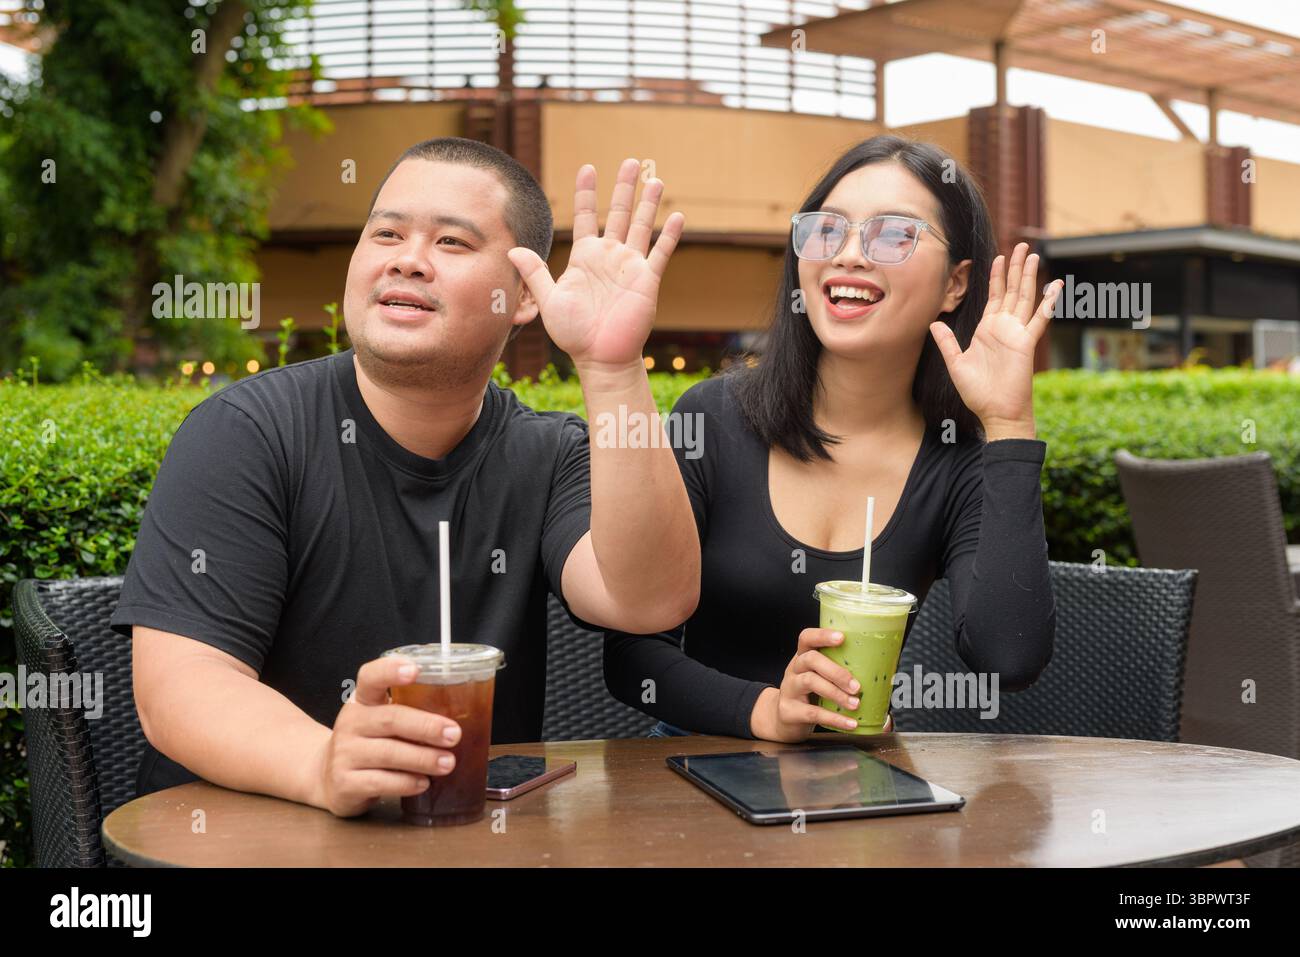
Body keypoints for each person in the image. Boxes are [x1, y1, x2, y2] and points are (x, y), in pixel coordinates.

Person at [112, 137, 701, 816]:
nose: (407, 259)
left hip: (463, 843)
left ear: (522, 296)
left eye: (452, 243)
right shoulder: (246, 431)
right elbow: (180, 685)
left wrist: (611, 368)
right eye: (386, 232)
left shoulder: (548, 452)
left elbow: (650, 600)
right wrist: (323, 763)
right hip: (243, 842)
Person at [603, 134, 1061, 743]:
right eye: (826, 230)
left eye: (894, 235)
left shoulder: (959, 455)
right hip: (692, 780)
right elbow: (631, 658)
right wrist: (765, 711)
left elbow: (1010, 659)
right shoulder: (712, 418)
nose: (848, 255)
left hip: (859, 789)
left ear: (956, 284)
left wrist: (1008, 427)